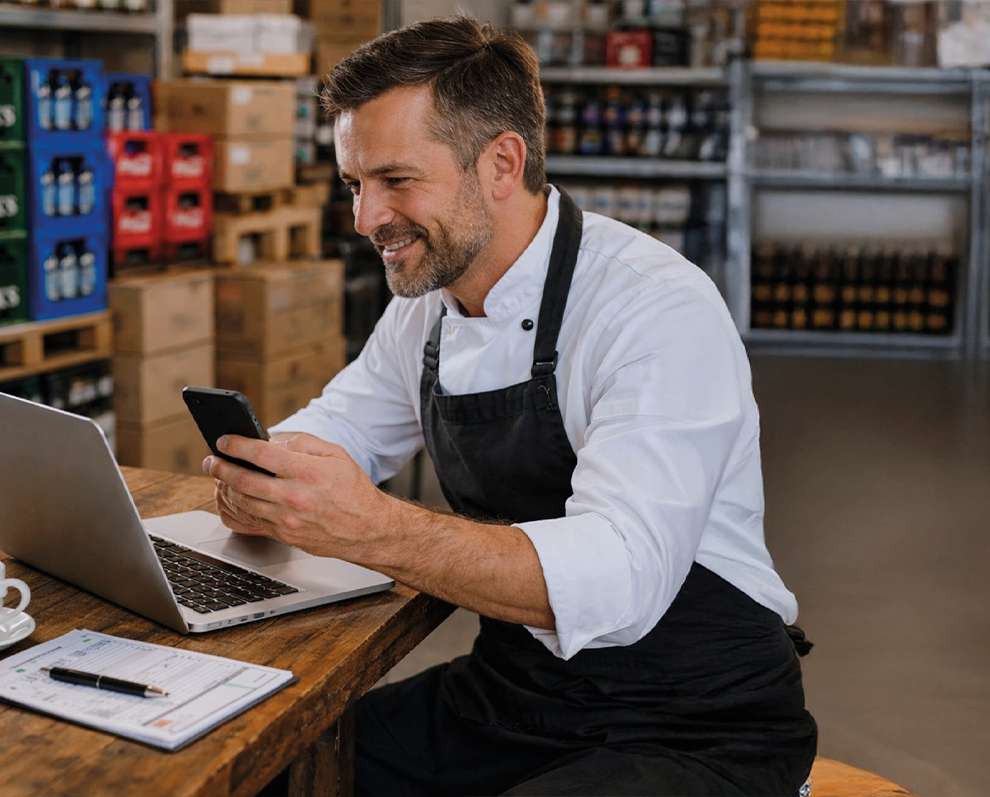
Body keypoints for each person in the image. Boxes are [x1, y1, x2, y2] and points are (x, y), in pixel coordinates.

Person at [202, 15, 817, 797]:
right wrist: (266, 468)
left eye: (396, 181)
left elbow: (621, 577)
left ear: (501, 162)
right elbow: (343, 427)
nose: (364, 220)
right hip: (512, 701)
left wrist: (373, 526)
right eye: (355, 186)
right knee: (268, 772)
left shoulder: (654, 308)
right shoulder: (429, 305)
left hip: (696, 726)